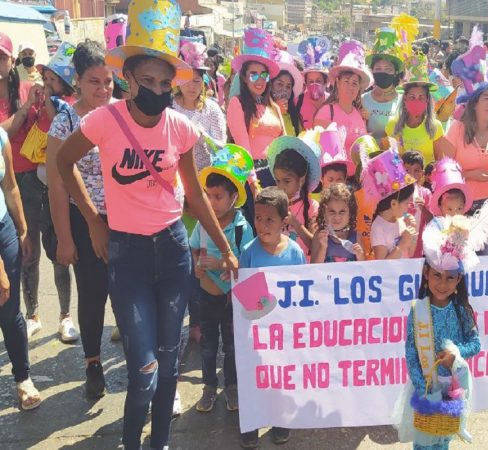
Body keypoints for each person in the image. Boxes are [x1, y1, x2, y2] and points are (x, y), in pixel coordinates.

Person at [56, 2, 238, 448]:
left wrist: (225, 247)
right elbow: (63, 161)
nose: (157, 90)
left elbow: (194, 194)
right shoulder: (104, 120)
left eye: (164, 83)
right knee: (144, 370)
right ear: (129, 80)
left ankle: (160, 442)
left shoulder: (180, 127)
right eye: (148, 81)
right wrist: (93, 221)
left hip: (173, 251)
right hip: (127, 254)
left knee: (169, 363)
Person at [45, 40, 114, 399]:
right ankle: (93, 363)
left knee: (127, 290)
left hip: (125, 220)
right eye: (94, 82)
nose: (103, 89)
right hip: (84, 222)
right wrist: (65, 238)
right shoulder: (65, 122)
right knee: (92, 293)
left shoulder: (122, 114)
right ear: (78, 81)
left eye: (108, 81)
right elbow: (57, 185)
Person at [0, 32, 72, 340]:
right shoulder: (25, 96)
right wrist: (26, 106)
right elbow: (3, 133)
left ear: (12, 60)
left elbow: (54, 123)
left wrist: (45, 96)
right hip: (13, 182)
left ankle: (65, 315)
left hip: (42, 176)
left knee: (57, 248)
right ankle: (33, 314)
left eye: (2, 57)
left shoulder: (29, 87)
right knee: (27, 249)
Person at [394, 215, 488, 449]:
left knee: (443, 440)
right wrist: (423, 389)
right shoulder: (418, 311)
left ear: (459, 279)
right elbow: (411, 353)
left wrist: (454, 355)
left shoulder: (461, 310)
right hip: (425, 387)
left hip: (454, 387)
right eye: (437, 275)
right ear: (426, 274)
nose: (442, 283)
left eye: (450, 278)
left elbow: (475, 343)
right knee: (424, 441)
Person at [238, 187, 306, 447]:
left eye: (270, 219)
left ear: (284, 221)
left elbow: (301, 291)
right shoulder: (249, 252)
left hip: (284, 332)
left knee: (281, 376)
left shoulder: (295, 252)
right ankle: (252, 423)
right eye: (258, 218)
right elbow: (244, 295)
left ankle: (280, 420)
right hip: (256, 332)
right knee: (254, 377)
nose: (262, 225)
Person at [191, 145, 254, 414]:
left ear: (234, 198)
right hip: (207, 294)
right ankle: (208, 386)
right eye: (208, 195)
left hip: (232, 298)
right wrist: (196, 265)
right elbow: (194, 247)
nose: (211, 202)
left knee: (232, 344)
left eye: (217, 197)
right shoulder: (203, 223)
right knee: (208, 345)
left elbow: (246, 261)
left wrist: (220, 264)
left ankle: (232, 386)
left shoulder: (241, 227)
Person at [444, 29, 488, 254]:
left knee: (487, 262)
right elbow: (443, 172)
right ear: (474, 103)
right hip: (459, 211)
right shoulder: (456, 130)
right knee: (459, 262)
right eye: (486, 98)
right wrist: (468, 175)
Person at [0, 126, 39, 410]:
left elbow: (10, 186)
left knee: (10, 309)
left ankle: (23, 379)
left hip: (4, 227)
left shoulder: (1, 137)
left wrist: (22, 229)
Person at [226, 27, 284, 190]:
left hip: (276, 176)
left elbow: (283, 144)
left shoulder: (274, 107)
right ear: (244, 78)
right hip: (251, 177)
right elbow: (243, 147)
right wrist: (253, 184)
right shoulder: (237, 104)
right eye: (253, 74)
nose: (260, 80)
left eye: (264, 74)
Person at [173, 41, 227, 173]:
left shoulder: (212, 109)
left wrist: (203, 136)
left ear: (203, 82)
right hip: (174, 174)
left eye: (196, 81)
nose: (191, 86)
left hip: (204, 175)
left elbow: (221, 148)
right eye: (186, 80)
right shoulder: (169, 108)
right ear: (179, 81)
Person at [386, 54, 449, 165]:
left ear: (427, 100)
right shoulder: (393, 125)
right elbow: (389, 161)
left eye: (421, 97)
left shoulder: (436, 127)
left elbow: (440, 162)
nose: (416, 101)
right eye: (412, 97)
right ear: (405, 99)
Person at [268, 134, 321, 259]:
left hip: (304, 268)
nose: (281, 186)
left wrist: (295, 223)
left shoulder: (312, 207)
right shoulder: (273, 205)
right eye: (277, 181)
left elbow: (316, 246)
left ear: (301, 180)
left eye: (287, 181)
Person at [314, 40, 371, 150]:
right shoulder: (326, 113)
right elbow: (321, 149)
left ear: (359, 87)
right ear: (337, 83)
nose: (350, 87)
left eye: (354, 83)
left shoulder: (360, 115)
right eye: (346, 81)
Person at [365, 147, 418, 260]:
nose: (409, 207)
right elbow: (382, 264)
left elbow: (410, 253)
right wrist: (402, 244)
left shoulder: (400, 220)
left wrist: (412, 231)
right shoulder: (378, 227)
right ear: (394, 204)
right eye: (407, 203)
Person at [363, 28, 403, 139]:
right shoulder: (362, 100)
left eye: (388, 69)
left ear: (395, 72)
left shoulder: (404, 100)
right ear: (372, 71)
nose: (383, 72)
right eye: (378, 68)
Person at [311, 182, 365, 263]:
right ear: (324, 213)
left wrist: (360, 256)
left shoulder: (356, 237)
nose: (337, 216)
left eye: (342, 212)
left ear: (350, 213)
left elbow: (364, 268)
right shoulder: (319, 236)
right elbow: (313, 267)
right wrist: (323, 247)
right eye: (332, 211)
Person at [296, 36, 332, 130]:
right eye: (310, 81)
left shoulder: (332, 102)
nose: (314, 85)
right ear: (306, 83)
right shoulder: (297, 101)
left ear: (325, 82)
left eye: (318, 81)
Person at [270, 51, 304, 137]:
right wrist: (277, 112)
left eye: (288, 86)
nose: (284, 90)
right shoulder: (262, 112)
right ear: (270, 85)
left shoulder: (294, 117)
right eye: (280, 84)